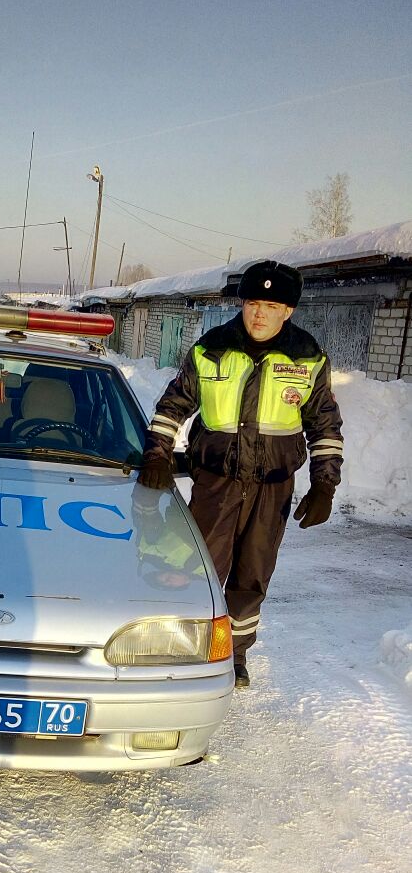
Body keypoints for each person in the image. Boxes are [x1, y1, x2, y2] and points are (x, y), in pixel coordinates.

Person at [139, 260, 344, 687]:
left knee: (252, 575)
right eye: (253, 302)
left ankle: (233, 655)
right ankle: (187, 647)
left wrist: (324, 484)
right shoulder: (210, 347)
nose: (259, 313)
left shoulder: (307, 357)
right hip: (216, 483)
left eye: (270, 305)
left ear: (287, 310)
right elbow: (172, 406)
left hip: (272, 488)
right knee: (199, 567)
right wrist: (158, 454)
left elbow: (324, 426)